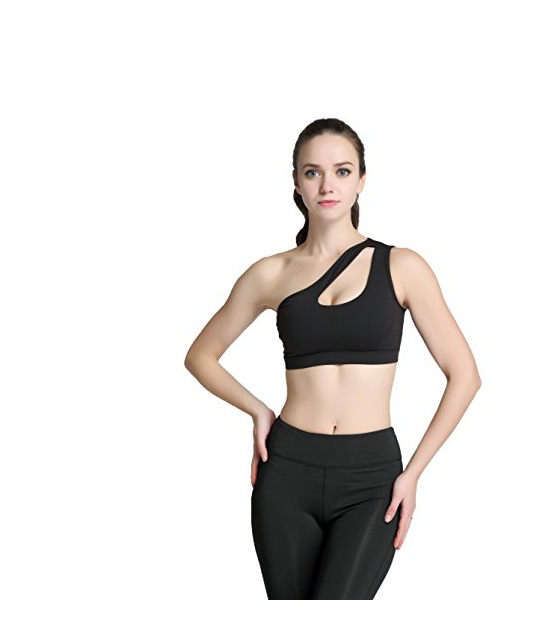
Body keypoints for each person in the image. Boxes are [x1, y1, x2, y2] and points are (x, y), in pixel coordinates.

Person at [184, 117, 481, 600]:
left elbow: (464, 375)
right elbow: (201, 355)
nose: (327, 185)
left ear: (361, 180)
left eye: (342, 171)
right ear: (296, 183)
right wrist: (258, 411)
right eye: (313, 172)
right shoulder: (270, 273)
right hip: (287, 471)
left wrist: (413, 473)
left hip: (371, 477)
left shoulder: (401, 266)